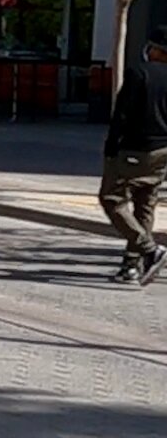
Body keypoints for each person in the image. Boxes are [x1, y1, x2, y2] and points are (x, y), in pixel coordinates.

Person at [98, 25, 167, 286]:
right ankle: (132, 264)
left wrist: (111, 145)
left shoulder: (139, 72)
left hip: (135, 147)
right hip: (162, 148)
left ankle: (149, 250)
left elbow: (122, 114)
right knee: (145, 201)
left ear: (155, 50)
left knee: (112, 198)